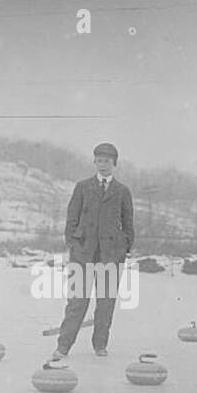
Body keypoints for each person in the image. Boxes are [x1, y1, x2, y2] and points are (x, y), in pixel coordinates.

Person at [50, 142, 135, 359]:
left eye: (107, 161)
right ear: (94, 162)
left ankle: (100, 346)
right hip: (83, 254)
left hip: (111, 255)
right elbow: (72, 218)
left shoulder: (122, 191)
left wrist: (124, 246)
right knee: (77, 302)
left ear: (114, 164)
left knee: (106, 303)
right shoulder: (82, 187)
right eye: (99, 160)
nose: (103, 165)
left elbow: (128, 223)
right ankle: (63, 347)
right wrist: (73, 244)